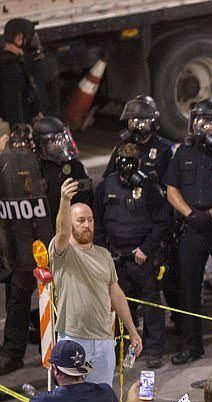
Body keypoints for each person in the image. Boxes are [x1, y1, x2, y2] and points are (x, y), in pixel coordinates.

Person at [165, 98, 212, 365]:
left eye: (207, 120)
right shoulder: (183, 152)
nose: (201, 125)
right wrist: (190, 214)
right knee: (188, 288)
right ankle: (191, 346)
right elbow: (171, 188)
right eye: (197, 119)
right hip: (192, 225)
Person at [52, 178, 141, 385]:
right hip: (75, 341)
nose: (87, 225)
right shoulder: (63, 253)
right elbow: (62, 232)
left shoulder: (103, 255)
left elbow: (116, 293)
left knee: (100, 397)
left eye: (90, 220)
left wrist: (133, 331)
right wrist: (64, 200)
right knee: (75, 398)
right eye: (81, 220)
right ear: (71, 221)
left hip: (103, 341)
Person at [93, 143, 169, 369]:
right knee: (120, 307)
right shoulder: (105, 186)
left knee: (151, 305)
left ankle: (154, 349)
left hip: (143, 257)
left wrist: (146, 249)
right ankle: (125, 347)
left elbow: (162, 221)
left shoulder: (148, 187)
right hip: (116, 258)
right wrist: (102, 252)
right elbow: (98, 222)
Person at [0, 126, 53, 375]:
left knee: (55, 301)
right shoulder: (5, 169)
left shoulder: (50, 167)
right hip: (20, 248)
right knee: (17, 301)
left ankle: (55, 350)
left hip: (48, 247)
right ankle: (12, 353)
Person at [104, 95, 174, 185]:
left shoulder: (164, 148)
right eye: (132, 121)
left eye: (141, 121)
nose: (136, 126)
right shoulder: (122, 146)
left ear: (152, 121)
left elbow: (170, 185)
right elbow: (108, 178)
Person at [33, 116, 91, 217]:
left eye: (62, 139)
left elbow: (86, 198)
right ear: (41, 144)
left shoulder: (74, 166)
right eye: (54, 141)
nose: (60, 144)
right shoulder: (33, 167)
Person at [0, 18, 39, 126]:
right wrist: (19, 129)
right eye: (29, 38)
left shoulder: (13, 63)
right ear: (18, 38)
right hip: (18, 130)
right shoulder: (10, 67)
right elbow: (13, 104)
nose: (31, 42)